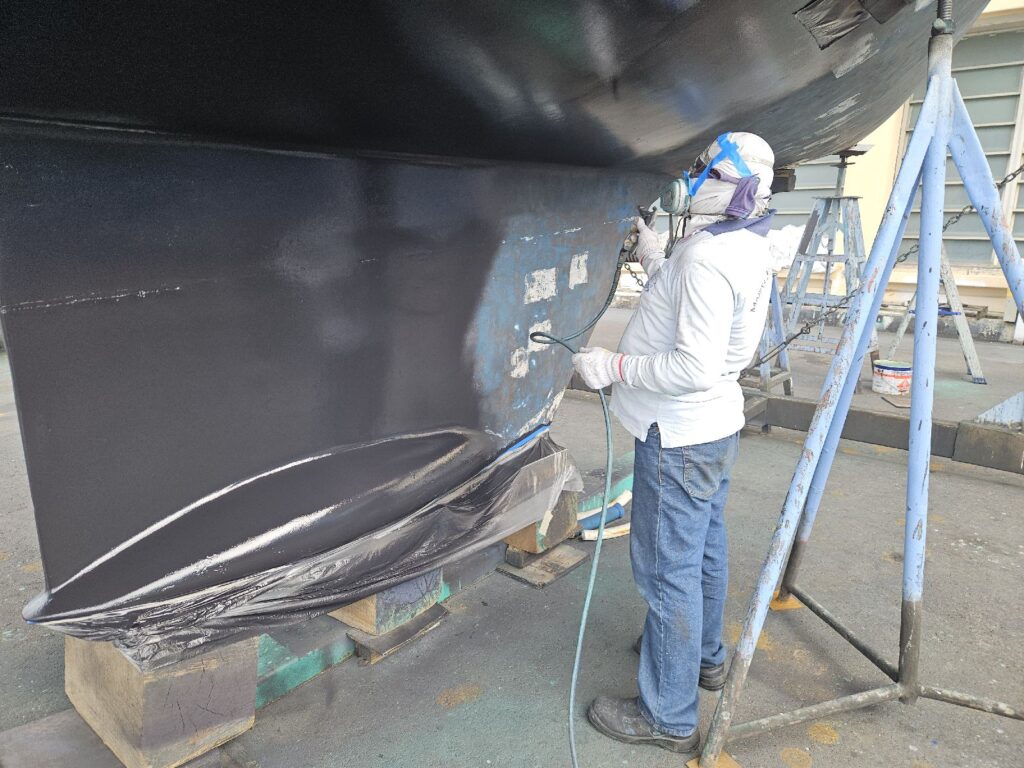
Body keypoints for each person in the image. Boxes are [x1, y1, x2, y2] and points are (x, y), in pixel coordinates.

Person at [571, 132, 776, 754]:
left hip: (677, 437)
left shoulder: (706, 260)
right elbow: (687, 300)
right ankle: (704, 657)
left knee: (667, 573)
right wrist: (656, 253)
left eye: (703, 169)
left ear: (725, 182)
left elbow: (692, 365)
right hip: (714, 431)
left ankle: (668, 714)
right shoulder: (742, 244)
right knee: (704, 548)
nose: (691, 179)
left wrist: (612, 367)